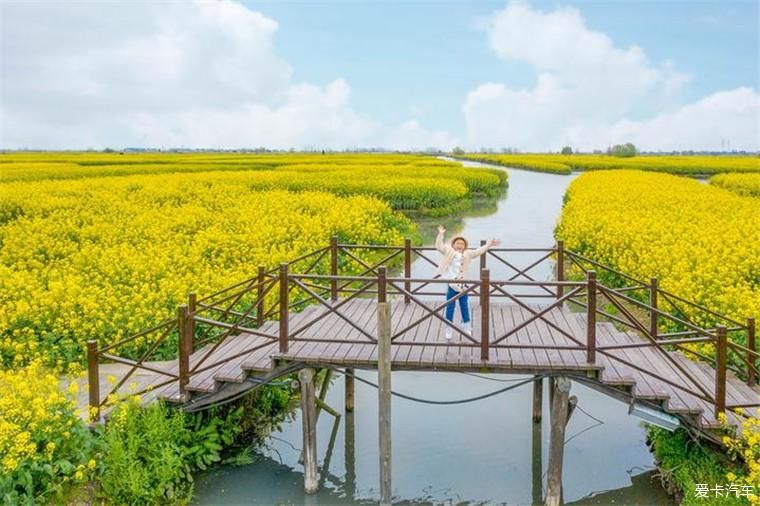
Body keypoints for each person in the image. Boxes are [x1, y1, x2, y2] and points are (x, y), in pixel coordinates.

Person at [435, 225, 501, 340]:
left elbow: (479, 251)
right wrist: (441, 234)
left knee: (464, 306)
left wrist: (489, 244)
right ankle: (449, 329)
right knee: (450, 306)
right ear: (453, 245)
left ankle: (466, 326)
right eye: (457, 243)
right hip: (452, 285)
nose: (459, 245)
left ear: (465, 246)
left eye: (462, 244)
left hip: (464, 286)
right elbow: (438, 246)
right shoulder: (449, 251)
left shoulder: (468, 254)